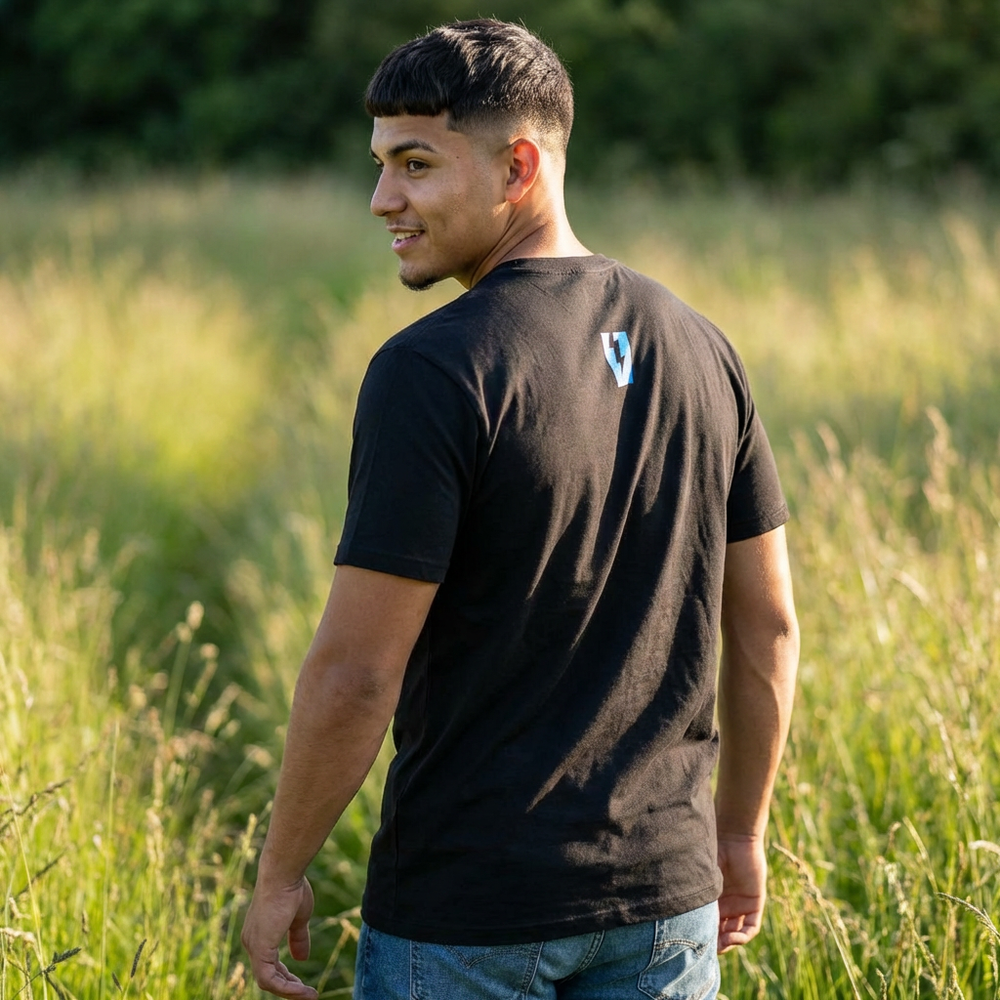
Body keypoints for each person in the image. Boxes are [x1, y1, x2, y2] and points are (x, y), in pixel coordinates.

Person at [241, 18, 799, 1000]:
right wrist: (738, 835)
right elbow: (769, 625)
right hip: (665, 905)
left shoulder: (431, 369)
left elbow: (356, 672)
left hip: (468, 915)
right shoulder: (703, 346)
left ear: (518, 167)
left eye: (414, 165)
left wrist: (280, 872)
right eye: (377, 166)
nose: (382, 199)